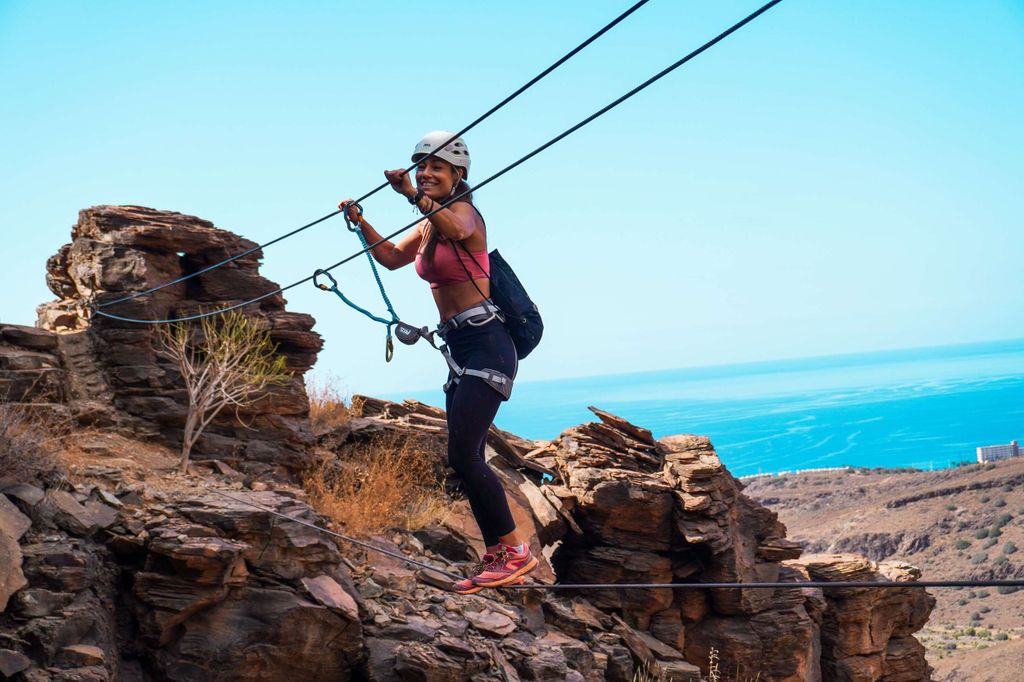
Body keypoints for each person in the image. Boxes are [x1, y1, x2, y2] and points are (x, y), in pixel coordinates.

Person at [339, 131, 538, 594]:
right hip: (460, 348)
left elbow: (459, 230)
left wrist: (411, 194)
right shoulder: (430, 225)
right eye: (421, 167)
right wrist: (362, 222)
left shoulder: (465, 214)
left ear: (458, 174)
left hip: (488, 344)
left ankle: (515, 552)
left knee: (464, 455)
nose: (426, 173)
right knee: (463, 457)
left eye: (436, 167)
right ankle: (498, 554)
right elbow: (391, 258)